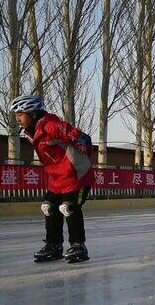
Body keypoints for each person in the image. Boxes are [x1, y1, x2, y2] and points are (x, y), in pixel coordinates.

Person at [11, 95, 93, 263]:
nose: (17, 118)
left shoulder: (53, 126)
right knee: (48, 207)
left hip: (77, 175)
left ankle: (78, 246)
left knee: (69, 208)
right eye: (16, 114)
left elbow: (84, 139)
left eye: (20, 113)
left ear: (33, 114)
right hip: (56, 178)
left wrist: (82, 157)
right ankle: (54, 245)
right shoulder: (29, 132)